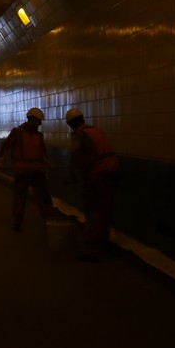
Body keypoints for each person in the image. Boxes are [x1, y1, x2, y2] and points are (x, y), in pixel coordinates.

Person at [65, 107, 121, 261]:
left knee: (93, 211)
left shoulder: (78, 134)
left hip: (100, 173)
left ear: (70, 124)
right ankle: (103, 244)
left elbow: (75, 156)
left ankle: (94, 248)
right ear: (82, 119)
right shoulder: (96, 131)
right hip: (114, 170)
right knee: (104, 210)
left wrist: (71, 174)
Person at [0, 107, 54, 231]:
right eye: (38, 121)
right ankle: (17, 221)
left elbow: (43, 153)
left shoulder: (39, 135)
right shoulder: (17, 133)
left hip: (38, 171)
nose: (40, 123)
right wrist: (1, 160)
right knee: (20, 197)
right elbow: (5, 146)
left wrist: (48, 163)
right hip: (22, 171)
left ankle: (48, 219)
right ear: (31, 119)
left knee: (43, 196)